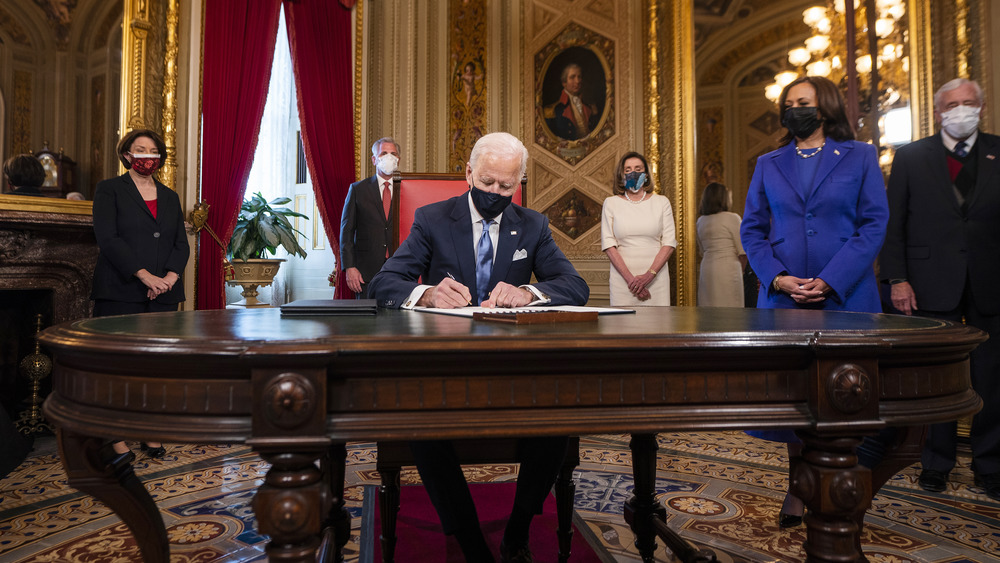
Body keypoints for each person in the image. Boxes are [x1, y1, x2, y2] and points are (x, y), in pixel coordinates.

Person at [368, 132, 589, 562]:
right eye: (487, 182)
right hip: (444, 368)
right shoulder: (433, 219)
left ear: (518, 184)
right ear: (468, 173)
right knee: (422, 423)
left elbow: (575, 286)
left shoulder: (533, 225)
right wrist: (427, 293)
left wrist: (530, 293)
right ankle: (470, 544)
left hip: (515, 368)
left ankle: (518, 532)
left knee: (560, 413)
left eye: (507, 187)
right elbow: (383, 283)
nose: (495, 193)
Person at [740, 76, 889, 526]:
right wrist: (779, 278)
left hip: (847, 298)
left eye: (801, 102)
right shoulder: (768, 162)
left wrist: (829, 280)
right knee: (795, 401)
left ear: (823, 106)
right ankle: (797, 488)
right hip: (785, 301)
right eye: (788, 104)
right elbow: (752, 230)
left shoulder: (860, 156)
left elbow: (873, 225)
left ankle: (845, 484)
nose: (793, 110)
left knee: (845, 395)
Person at [879, 78, 1000, 501]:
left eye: (969, 103)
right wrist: (897, 278)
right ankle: (936, 463)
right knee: (939, 378)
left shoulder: (998, 150)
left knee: (991, 378)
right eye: (953, 104)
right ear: (937, 112)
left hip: (990, 280)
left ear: (982, 108)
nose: (961, 110)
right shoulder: (911, 156)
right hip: (929, 282)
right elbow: (895, 224)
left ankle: (990, 464)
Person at [92, 129, 190, 461]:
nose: (147, 155)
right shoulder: (109, 190)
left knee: (155, 367)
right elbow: (109, 239)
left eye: (153, 150)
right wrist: (145, 275)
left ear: (160, 158)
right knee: (118, 366)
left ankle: (150, 428)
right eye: (139, 150)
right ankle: (115, 434)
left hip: (163, 293)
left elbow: (180, 243)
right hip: (120, 290)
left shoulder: (170, 196)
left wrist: (168, 279)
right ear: (127, 155)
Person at [600, 152, 676, 306]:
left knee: (657, 327)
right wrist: (632, 282)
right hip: (623, 280)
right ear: (621, 175)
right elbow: (608, 245)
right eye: (627, 170)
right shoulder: (611, 203)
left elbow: (669, 243)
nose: (633, 173)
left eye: (638, 168)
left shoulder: (662, 202)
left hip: (656, 278)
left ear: (646, 174)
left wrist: (649, 276)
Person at [340, 137, 399, 299]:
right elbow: (347, 232)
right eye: (384, 153)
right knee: (366, 322)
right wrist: (350, 267)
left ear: (398, 160)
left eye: (393, 154)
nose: (389, 157)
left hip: (400, 269)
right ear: (374, 159)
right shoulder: (358, 189)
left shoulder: (408, 189)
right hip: (366, 272)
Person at [696, 182, 747, 307]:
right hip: (728, 269)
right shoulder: (732, 218)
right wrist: (743, 272)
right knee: (731, 310)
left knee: (709, 309)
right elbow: (742, 251)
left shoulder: (700, 221)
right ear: (724, 198)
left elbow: (701, 251)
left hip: (707, 269)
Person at [544, 63, 599, 140]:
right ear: (564, 83)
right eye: (572, 77)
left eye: (579, 77)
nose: (577, 81)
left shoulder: (590, 106)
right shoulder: (553, 110)